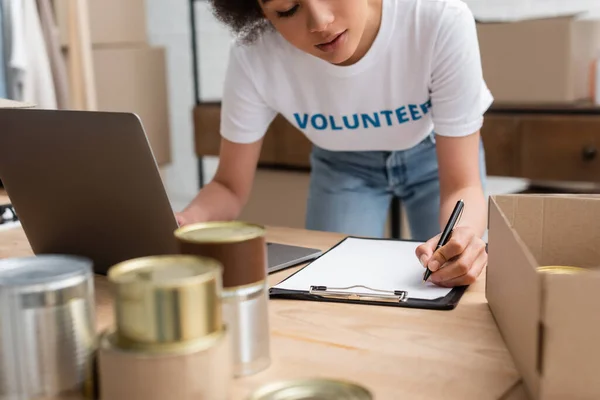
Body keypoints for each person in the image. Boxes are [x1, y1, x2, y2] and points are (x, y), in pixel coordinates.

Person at [177, 0, 491, 287]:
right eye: (287, 9)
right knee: (329, 286)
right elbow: (228, 187)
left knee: (453, 275)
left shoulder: (437, 19)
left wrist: (464, 237)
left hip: (435, 154)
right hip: (342, 164)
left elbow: (462, 187)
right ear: (259, 10)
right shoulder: (255, 55)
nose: (320, 22)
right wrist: (182, 223)